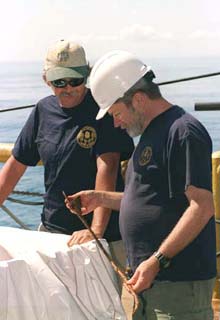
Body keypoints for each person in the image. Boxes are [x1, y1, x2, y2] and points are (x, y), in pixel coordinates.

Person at [65, 50, 217, 319]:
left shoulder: (183, 132)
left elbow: (201, 206)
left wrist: (157, 261)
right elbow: (148, 199)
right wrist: (99, 198)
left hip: (177, 286)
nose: (115, 122)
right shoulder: (151, 134)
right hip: (150, 284)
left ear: (138, 99)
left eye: (116, 113)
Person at [0, 42, 134, 277]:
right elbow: (15, 165)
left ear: (87, 75)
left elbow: (108, 167)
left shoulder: (103, 111)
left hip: (104, 237)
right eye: (59, 82)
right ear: (46, 80)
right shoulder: (43, 111)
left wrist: (96, 231)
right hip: (52, 231)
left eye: (75, 80)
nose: (68, 88)